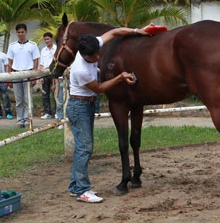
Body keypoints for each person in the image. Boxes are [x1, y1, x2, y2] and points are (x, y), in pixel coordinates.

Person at [67, 26, 150, 203]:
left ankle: (75, 186)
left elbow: (114, 32)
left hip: (85, 105)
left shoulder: (92, 45)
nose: (98, 57)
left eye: (98, 53)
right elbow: (100, 88)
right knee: (85, 148)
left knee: (82, 147)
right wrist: (120, 77)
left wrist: (137, 30)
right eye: (94, 56)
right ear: (84, 55)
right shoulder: (80, 69)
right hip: (79, 106)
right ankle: (82, 190)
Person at [7, 23, 40, 128]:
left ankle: (27, 119)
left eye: (22, 32)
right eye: (18, 32)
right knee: (19, 99)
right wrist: (9, 77)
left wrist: (33, 76)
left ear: (26, 32)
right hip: (16, 73)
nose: (20, 34)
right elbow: (10, 62)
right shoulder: (12, 46)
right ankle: (20, 120)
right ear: (16, 33)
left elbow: (35, 61)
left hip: (28, 73)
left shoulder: (32, 45)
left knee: (28, 98)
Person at [39, 32, 57, 119]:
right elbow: (41, 64)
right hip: (45, 73)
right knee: (45, 94)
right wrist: (41, 76)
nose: (46, 41)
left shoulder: (57, 49)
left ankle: (57, 112)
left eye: (48, 39)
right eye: (45, 39)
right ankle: (47, 112)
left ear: (51, 39)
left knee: (56, 93)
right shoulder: (43, 50)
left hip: (54, 72)